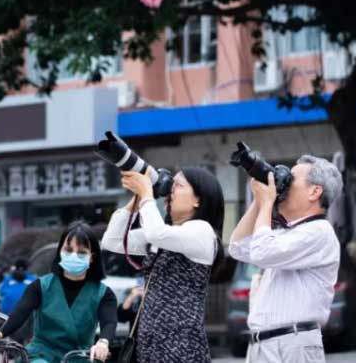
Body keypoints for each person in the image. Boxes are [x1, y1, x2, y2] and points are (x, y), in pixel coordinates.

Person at [101, 167, 225, 363]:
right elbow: (113, 240)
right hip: (150, 346)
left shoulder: (202, 231)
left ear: (197, 200)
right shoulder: (164, 234)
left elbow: (156, 233)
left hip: (182, 347)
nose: (170, 190)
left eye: (178, 185)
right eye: (170, 184)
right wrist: (135, 201)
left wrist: (147, 195)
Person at [229, 155, 343, 363]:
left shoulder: (319, 232)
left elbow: (263, 252)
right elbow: (238, 248)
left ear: (315, 191)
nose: (284, 184)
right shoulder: (287, 231)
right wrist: (258, 203)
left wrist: (266, 204)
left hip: (293, 345)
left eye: (290, 179)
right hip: (262, 344)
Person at [0, 222, 117, 363]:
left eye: (81, 252)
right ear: (60, 251)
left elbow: (109, 322)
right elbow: (19, 313)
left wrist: (103, 343)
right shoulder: (40, 286)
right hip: (41, 355)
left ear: (92, 257)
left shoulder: (104, 293)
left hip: (80, 356)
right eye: (68, 250)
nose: (74, 256)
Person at [0, 258, 37, 343]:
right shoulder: (8, 280)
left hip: (26, 317)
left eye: (22, 270)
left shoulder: (32, 280)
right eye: (18, 269)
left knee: (22, 335)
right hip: (7, 315)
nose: (20, 272)